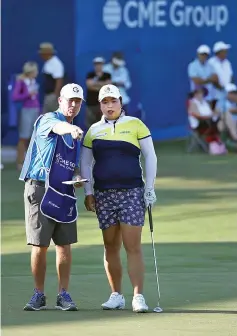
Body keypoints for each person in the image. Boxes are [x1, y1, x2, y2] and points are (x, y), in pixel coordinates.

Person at [80, 84, 157, 313]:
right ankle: (116, 295)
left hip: (132, 192)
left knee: (132, 245)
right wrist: (88, 192)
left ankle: (138, 296)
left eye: (113, 101)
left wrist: (149, 187)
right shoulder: (93, 130)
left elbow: (150, 155)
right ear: (100, 105)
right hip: (104, 194)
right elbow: (85, 163)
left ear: (121, 102)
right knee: (110, 246)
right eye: (105, 102)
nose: (109, 105)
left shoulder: (135, 124)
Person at [19, 83, 85, 311]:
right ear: (60, 100)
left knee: (64, 245)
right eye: (70, 100)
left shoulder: (75, 132)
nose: (73, 105)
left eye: (77, 102)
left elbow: (74, 166)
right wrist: (70, 129)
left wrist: (77, 177)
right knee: (39, 244)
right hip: (39, 188)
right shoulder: (48, 120)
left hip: (64, 191)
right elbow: (57, 128)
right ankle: (38, 294)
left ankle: (63, 294)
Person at [12, 61, 40, 170]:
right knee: (24, 137)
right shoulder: (21, 82)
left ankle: (30, 162)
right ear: (31, 71)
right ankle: (19, 162)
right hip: (26, 111)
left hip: (35, 110)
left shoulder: (34, 81)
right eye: (35, 71)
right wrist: (28, 94)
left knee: (33, 137)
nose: (37, 72)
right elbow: (15, 96)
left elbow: (36, 98)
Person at [39, 42, 65, 114]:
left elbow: (59, 80)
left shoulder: (56, 64)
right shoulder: (47, 63)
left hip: (52, 96)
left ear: (47, 53)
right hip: (47, 95)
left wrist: (55, 96)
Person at [85, 57, 111, 127]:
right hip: (91, 103)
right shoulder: (90, 74)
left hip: (104, 103)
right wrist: (102, 85)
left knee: (104, 124)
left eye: (100, 64)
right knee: (91, 124)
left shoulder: (107, 75)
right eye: (96, 64)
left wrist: (95, 83)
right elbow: (89, 86)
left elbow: (108, 85)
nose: (98, 66)